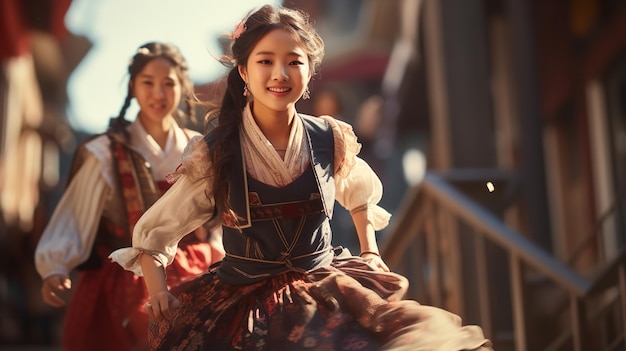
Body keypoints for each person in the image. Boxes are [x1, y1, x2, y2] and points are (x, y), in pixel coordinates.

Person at [110, 6, 492, 351]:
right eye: (265, 61)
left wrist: (370, 250)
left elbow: (359, 194)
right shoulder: (218, 152)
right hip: (243, 301)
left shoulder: (329, 138)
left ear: (309, 71)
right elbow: (156, 232)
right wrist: (158, 291)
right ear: (243, 71)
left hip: (325, 288)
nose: (280, 74)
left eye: (294, 61)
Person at [35, 42, 224, 351]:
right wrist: (55, 264)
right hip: (122, 279)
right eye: (148, 82)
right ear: (133, 86)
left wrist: (221, 259)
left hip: (194, 272)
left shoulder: (200, 149)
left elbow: (216, 217)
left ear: (182, 87)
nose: (158, 94)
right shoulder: (105, 152)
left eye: (169, 83)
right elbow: (75, 214)